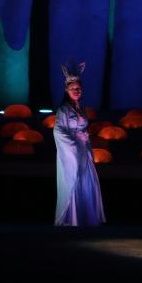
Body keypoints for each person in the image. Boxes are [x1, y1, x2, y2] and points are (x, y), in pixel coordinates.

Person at [53, 62, 106, 226]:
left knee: (85, 180)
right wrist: (73, 144)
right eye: (73, 88)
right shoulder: (63, 110)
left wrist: (85, 139)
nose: (76, 91)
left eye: (78, 88)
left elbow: (83, 128)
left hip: (83, 150)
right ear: (66, 90)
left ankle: (86, 217)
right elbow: (58, 131)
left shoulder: (81, 108)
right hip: (71, 151)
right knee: (73, 179)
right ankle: (71, 218)